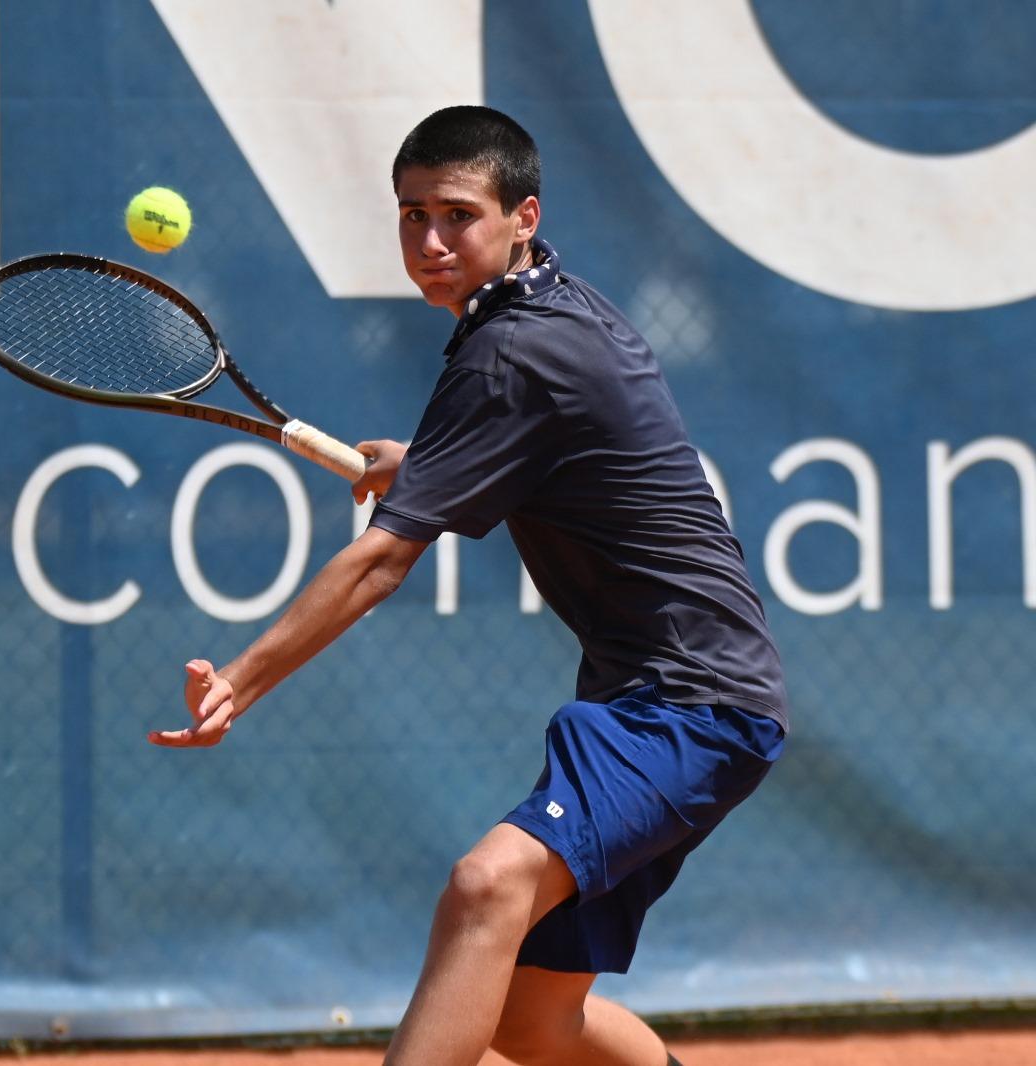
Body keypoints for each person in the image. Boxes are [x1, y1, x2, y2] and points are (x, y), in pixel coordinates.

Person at [148, 105, 787, 1066]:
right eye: (413, 215)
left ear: (523, 217)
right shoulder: (549, 308)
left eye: (459, 214)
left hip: (691, 701)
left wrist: (241, 679)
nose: (432, 241)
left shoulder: (511, 349)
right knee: (533, 1022)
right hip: (671, 695)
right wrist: (425, 463)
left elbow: (380, 562)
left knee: (487, 885)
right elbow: (564, 444)